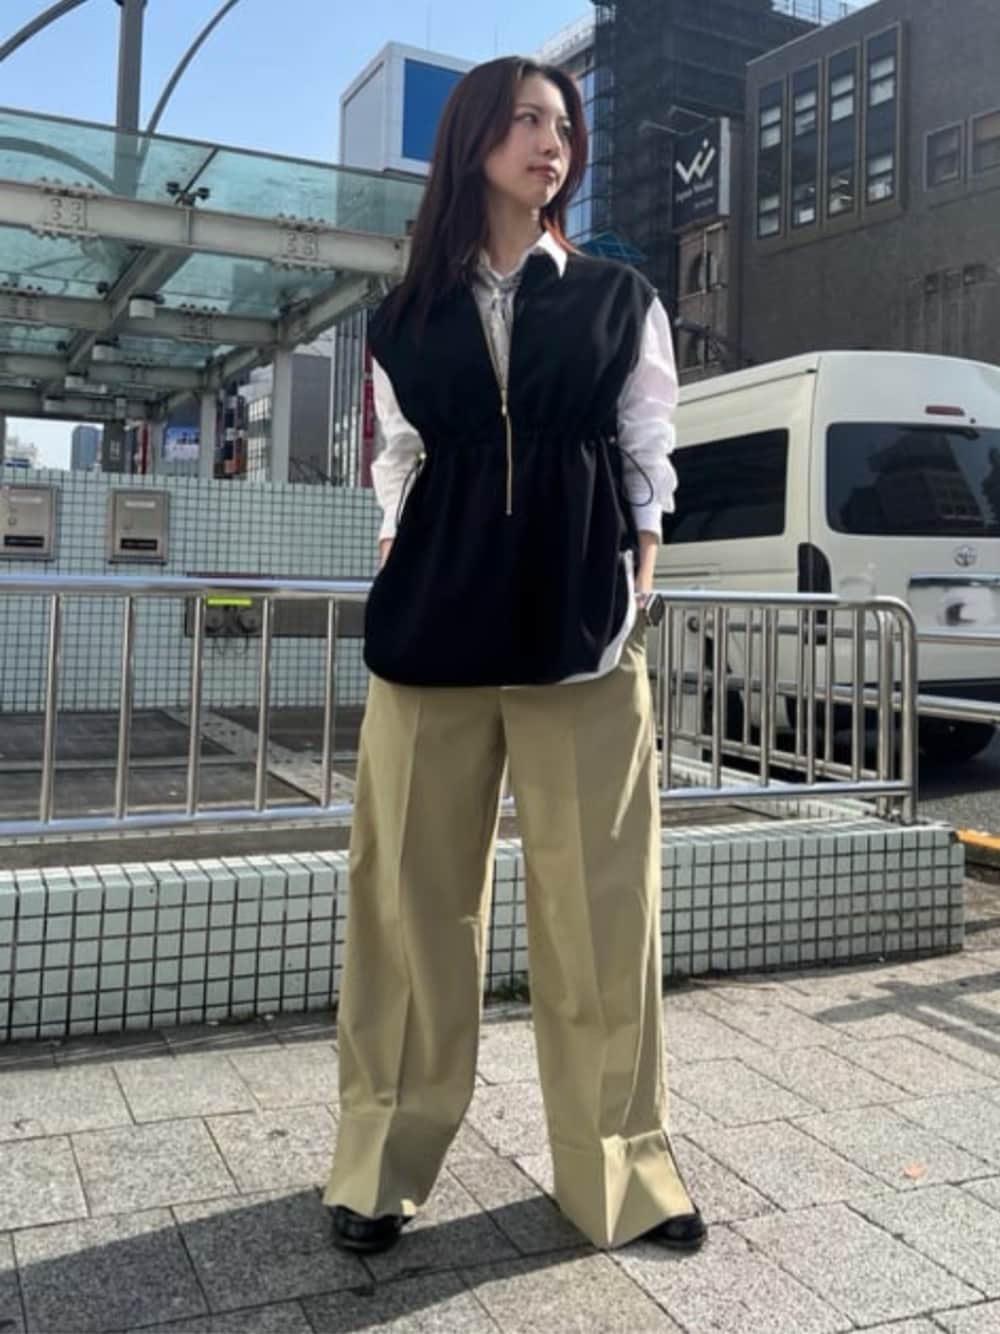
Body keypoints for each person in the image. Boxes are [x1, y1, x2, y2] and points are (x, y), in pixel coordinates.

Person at [323, 54, 704, 1255]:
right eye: (530, 120)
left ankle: (620, 1170)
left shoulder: (616, 297)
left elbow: (648, 454)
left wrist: (637, 581)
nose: (555, 142)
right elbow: (397, 459)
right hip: (430, 630)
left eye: (565, 126)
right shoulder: (402, 315)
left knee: (601, 909)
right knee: (407, 904)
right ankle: (376, 1166)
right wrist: (396, 553)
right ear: (473, 139)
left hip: (578, 629)